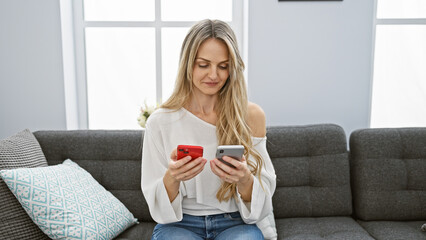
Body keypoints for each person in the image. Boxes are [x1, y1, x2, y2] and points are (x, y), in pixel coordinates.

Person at [141, 19, 277, 240]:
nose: (214, 75)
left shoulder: (251, 116)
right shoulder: (160, 122)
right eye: (203, 64)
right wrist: (173, 177)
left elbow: (264, 194)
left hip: (235, 223)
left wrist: (244, 180)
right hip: (180, 224)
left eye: (223, 66)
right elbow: (156, 204)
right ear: (187, 64)